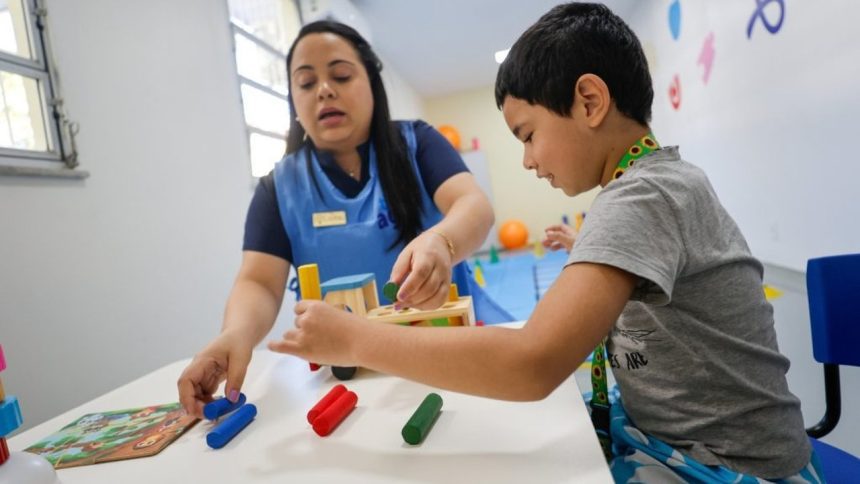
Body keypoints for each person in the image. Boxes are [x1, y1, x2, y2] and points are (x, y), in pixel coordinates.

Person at [269, 4, 823, 482]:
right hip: (676, 442)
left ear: (588, 101)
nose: (529, 161)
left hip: (731, 468)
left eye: (528, 135)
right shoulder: (652, 187)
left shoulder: (643, 196)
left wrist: (358, 341)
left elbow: (531, 364)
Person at [178, 20, 503, 419]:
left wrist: (442, 241)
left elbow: (473, 206)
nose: (325, 90)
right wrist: (234, 335)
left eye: (341, 75)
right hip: (346, 381)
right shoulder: (278, 188)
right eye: (306, 82)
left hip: (448, 354)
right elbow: (259, 282)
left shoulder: (417, 143)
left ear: (371, 82)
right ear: (294, 102)